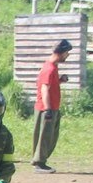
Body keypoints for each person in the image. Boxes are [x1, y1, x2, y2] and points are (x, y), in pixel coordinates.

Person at [31, 39, 72, 173]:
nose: (68, 55)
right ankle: (39, 163)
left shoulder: (52, 67)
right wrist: (48, 110)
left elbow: (50, 85)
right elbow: (44, 89)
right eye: (67, 53)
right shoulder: (49, 69)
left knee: (49, 137)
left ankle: (40, 161)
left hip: (50, 107)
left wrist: (60, 81)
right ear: (61, 52)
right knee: (45, 137)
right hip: (46, 108)